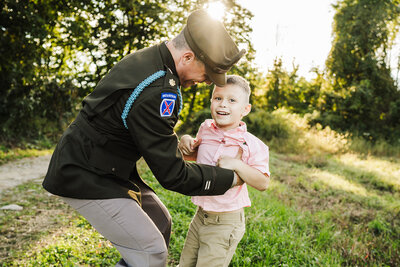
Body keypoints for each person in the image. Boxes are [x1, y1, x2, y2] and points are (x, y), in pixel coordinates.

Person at [42, 9, 246, 267]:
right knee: (151, 253)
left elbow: (147, 129)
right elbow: (173, 175)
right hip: (85, 172)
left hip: (106, 164)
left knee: (160, 223)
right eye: (206, 75)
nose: (205, 82)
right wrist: (232, 178)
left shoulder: (152, 60)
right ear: (187, 56)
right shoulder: (159, 90)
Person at [177, 75, 270, 267]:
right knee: (185, 263)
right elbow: (195, 156)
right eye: (218, 98)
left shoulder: (251, 144)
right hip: (200, 215)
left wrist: (237, 165)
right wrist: (185, 142)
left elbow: (263, 183)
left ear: (245, 109)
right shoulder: (206, 128)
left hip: (226, 222)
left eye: (232, 100)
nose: (223, 105)